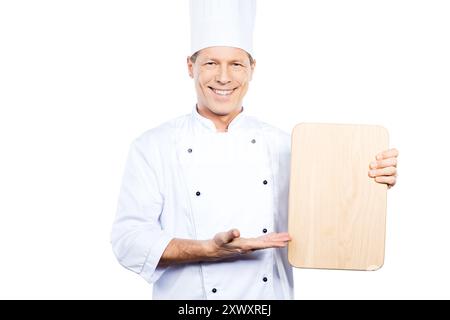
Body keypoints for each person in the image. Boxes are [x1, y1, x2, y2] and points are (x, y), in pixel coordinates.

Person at [111, 0, 399, 300]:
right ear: (189, 66)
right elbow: (128, 241)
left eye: (236, 64)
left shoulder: (287, 146)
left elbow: (330, 211)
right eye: (210, 63)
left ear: (252, 69)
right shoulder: (153, 146)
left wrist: (371, 178)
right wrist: (206, 250)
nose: (223, 77)